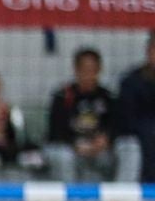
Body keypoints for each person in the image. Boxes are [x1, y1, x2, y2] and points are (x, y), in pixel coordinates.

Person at [46, 47, 119, 183]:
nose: (88, 75)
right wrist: (75, 144)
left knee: (114, 155)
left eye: (93, 70)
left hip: (98, 149)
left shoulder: (108, 97)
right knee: (64, 156)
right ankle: (70, 200)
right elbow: (55, 132)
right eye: (84, 70)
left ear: (99, 70)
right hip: (69, 147)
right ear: (76, 70)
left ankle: (113, 199)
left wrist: (105, 139)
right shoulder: (63, 96)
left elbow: (115, 126)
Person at [117, 32, 155, 185]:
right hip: (136, 139)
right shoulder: (131, 81)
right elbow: (127, 120)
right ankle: (125, 199)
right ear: (148, 51)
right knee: (131, 148)